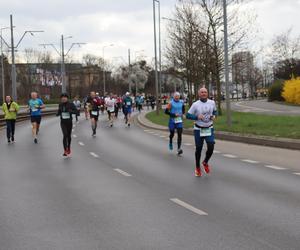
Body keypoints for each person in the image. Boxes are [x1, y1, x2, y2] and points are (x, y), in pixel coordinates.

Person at [186, 87, 217, 177]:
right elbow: (188, 115)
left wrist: (214, 116)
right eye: (202, 92)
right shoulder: (195, 104)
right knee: (198, 149)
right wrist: (196, 117)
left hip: (209, 128)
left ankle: (205, 162)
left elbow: (215, 111)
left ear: (207, 93)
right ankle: (197, 168)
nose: (204, 93)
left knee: (211, 146)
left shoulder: (212, 102)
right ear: (199, 94)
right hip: (198, 129)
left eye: (205, 92)